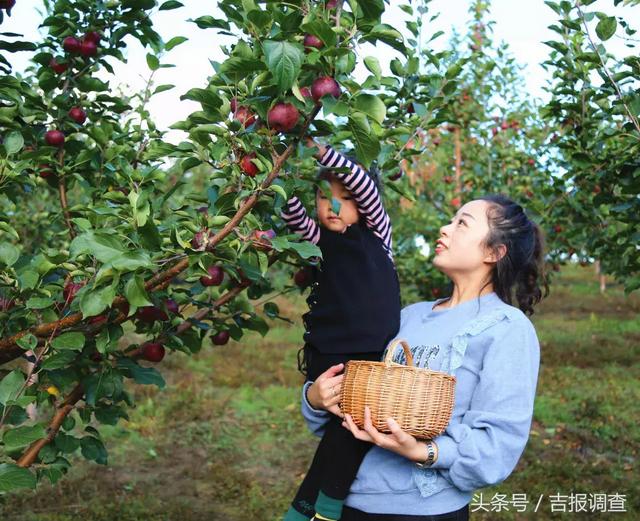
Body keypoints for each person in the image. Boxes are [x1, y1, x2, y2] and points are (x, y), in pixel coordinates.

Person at [300, 195, 548, 520]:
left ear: (494, 252)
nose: (445, 229)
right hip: (341, 499)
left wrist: (423, 451)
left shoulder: (506, 328)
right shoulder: (408, 317)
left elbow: (496, 448)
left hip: (419, 513)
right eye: (451, 219)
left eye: (462, 223)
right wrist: (315, 398)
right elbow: (352, 406)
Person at [281, 139, 402, 521]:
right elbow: (289, 210)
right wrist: (273, 164)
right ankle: (320, 507)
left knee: (349, 429)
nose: (333, 206)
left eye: (345, 198)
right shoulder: (318, 241)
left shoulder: (378, 235)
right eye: (323, 197)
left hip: (370, 354)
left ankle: (314, 508)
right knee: (344, 429)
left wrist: (319, 152)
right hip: (328, 355)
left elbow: (364, 186)